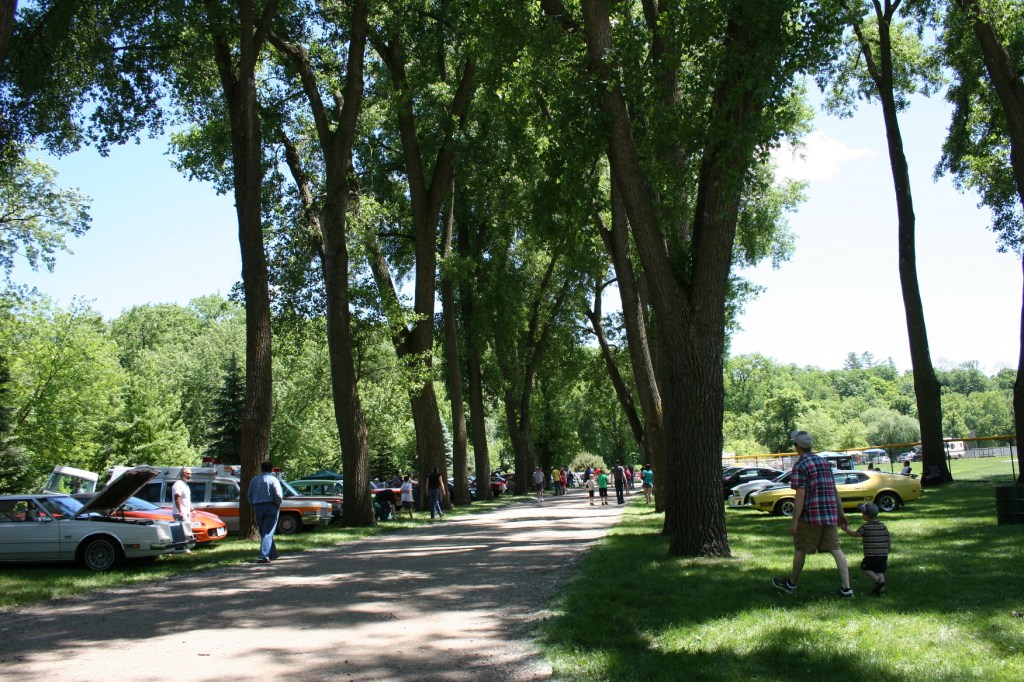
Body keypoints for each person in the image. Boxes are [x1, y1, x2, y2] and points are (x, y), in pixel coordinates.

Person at [772, 430, 853, 598]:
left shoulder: (800, 465)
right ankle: (846, 588)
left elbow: (800, 494)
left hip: (810, 516)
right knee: (836, 549)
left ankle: (791, 584)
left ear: (797, 446)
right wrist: (841, 513)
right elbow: (834, 489)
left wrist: (794, 521)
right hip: (829, 514)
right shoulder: (824, 462)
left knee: (800, 549)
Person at [843, 502, 890, 595]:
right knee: (879, 571)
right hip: (883, 554)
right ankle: (881, 592)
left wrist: (846, 529)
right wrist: (889, 547)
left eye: (862, 513)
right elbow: (888, 537)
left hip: (871, 554)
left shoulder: (866, 526)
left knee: (865, 568)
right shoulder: (882, 525)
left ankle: (878, 581)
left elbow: (856, 534)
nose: (862, 515)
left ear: (866, 516)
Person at [248, 461, 283, 564]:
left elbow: (249, 494)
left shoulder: (254, 480)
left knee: (264, 531)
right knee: (268, 532)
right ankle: (263, 555)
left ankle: (273, 554)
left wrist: (253, 505)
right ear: (271, 469)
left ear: (261, 469)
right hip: (271, 506)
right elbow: (278, 495)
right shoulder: (274, 479)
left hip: (258, 506)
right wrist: (277, 504)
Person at [171, 467, 195, 546]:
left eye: (190, 474)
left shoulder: (186, 485)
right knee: (183, 531)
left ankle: (186, 548)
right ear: (182, 474)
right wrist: (180, 511)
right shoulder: (178, 484)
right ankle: (182, 548)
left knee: (187, 529)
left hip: (186, 512)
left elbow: (186, 500)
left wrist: (192, 510)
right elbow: (177, 497)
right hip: (180, 513)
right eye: (187, 474)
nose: (190, 475)